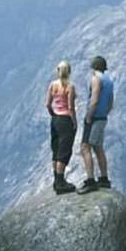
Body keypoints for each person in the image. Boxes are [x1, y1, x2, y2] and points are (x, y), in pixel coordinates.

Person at [77, 55, 113, 194]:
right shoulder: (109, 81)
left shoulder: (96, 79)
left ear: (94, 67)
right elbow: (110, 103)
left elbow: (95, 98)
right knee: (98, 147)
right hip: (103, 118)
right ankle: (104, 178)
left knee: (85, 147)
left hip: (94, 118)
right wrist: (104, 114)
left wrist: (89, 115)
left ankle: (90, 180)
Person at [45, 60, 77, 194]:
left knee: (56, 149)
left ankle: (56, 180)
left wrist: (53, 114)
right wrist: (74, 122)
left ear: (58, 71)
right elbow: (70, 107)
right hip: (65, 120)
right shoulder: (70, 86)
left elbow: (47, 104)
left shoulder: (53, 85)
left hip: (55, 119)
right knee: (65, 150)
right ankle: (60, 182)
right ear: (69, 71)